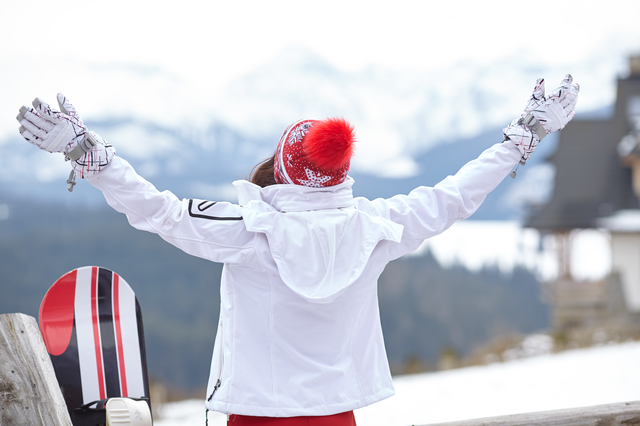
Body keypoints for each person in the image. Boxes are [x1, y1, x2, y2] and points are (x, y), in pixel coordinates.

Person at [16, 75, 579, 425]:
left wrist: (87, 153)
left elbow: (157, 209)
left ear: (283, 168)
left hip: (258, 416)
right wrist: (520, 138)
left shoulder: (248, 231)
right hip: (337, 416)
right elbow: (455, 195)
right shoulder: (378, 227)